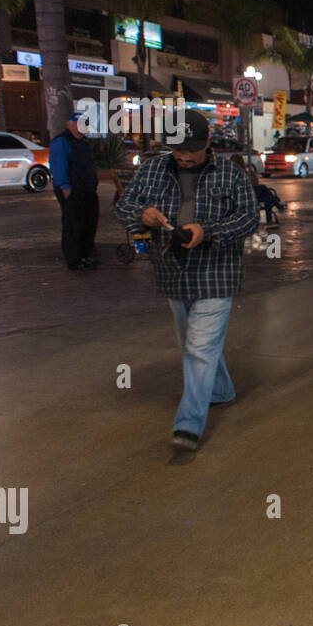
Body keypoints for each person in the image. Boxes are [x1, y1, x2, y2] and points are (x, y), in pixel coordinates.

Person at [115, 109, 259, 453]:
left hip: (216, 273)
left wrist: (207, 231)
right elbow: (124, 206)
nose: (184, 156)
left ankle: (188, 425)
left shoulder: (231, 172)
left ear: (207, 142)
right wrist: (141, 214)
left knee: (199, 348)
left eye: (190, 149)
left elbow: (249, 218)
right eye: (177, 149)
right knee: (193, 346)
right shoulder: (152, 169)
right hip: (172, 272)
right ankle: (221, 390)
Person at [48, 109, 100, 270]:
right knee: (74, 225)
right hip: (73, 190)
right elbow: (58, 166)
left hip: (87, 190)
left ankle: (85, 256)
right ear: (69, 125)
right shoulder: (62, 142)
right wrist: (65, 187)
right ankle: (74, 259)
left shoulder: (83, 143)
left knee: (88, 224)